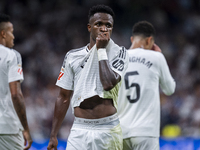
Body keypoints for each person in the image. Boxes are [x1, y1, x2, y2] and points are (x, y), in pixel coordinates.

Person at [47, 4, 128, 150]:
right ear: (89, 27)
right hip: (79, 129)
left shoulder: (120, 53)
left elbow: (108, 83)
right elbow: (63, 96)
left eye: (108, 25)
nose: (104, 28)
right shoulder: (72, 56)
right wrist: (53, 134)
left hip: (107, 129)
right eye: (99, 24)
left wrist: (101, 50)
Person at [117, 21, 176, 150]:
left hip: (120, 131)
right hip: (145, 131)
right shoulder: (156, 57)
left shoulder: (117, 59)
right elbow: (169, 89)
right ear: (150, 41)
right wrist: (158, 55)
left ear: (132, 39)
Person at [0, 14, 32, 150]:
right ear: (3, 33)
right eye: (11, 32)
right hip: (7, 127)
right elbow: (16, 94)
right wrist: (25, 128)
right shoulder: (11, 55)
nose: (13, 36)